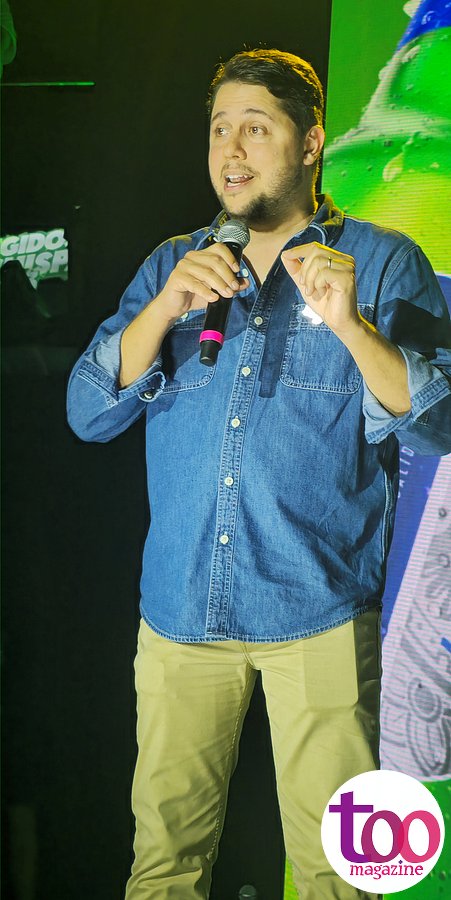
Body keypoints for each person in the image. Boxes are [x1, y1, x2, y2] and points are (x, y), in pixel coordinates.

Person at [67, 49, 451, 900]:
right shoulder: (173, 263)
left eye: (255, 128)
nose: (230, 151)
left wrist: (351, 327)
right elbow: (87, 412)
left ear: (311, 143)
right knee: (163, 865)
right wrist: (165, 307)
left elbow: (439, 425)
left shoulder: (383, 260)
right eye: (218, 130)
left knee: (336, 875)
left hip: (317, 612)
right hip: (180, 612)